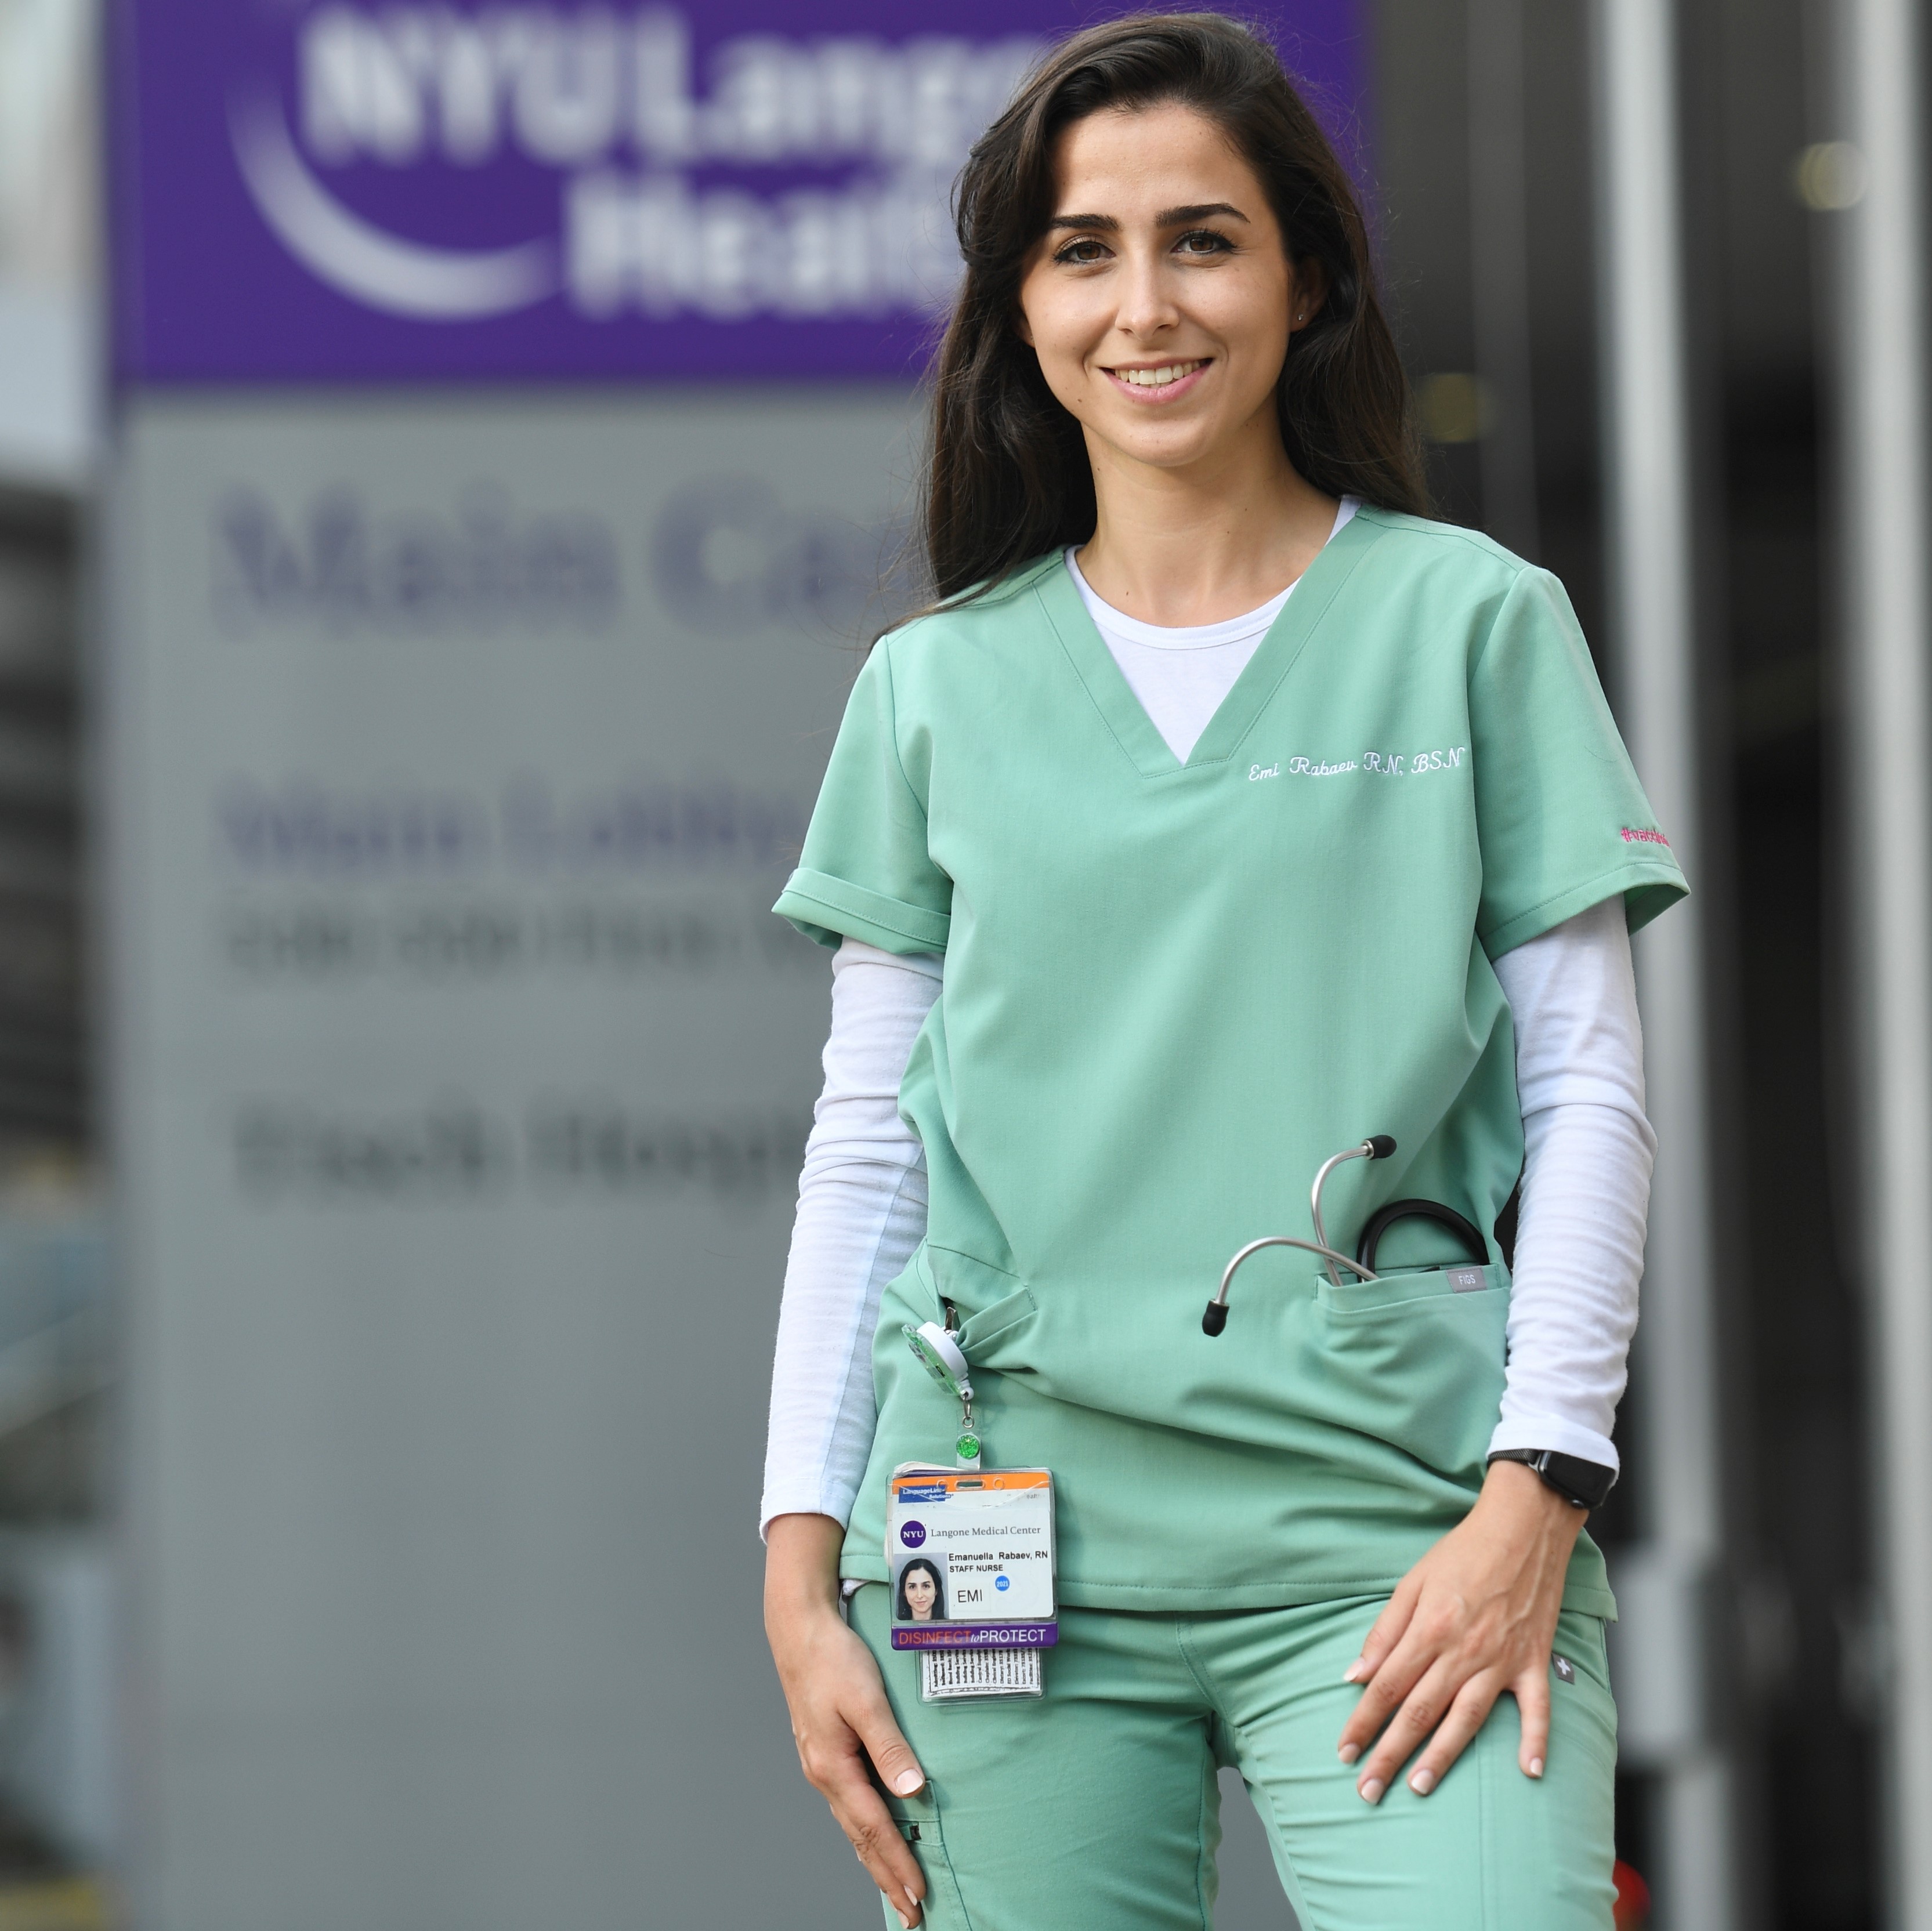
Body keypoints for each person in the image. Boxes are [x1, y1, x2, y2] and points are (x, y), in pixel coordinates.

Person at [761, 15, 1684, 1931]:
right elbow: (872, 1146)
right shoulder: (932, 691)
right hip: (993, 1531)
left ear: (1308, 277)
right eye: (1083, 248)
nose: (1145, 301)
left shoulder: (1474, 625)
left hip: (1404, 1526)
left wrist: (1542, 1489)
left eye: (1205, 237)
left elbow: (1591, 1083)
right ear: (1020, 305)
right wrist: (798, 1558)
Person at [895, 1558, 946, 1624]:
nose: (920, 1595)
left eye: (926, 1586)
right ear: (904, 1592)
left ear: (936, 1590)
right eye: (912, 1587)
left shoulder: (951, 1630)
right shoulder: (898, 1630)